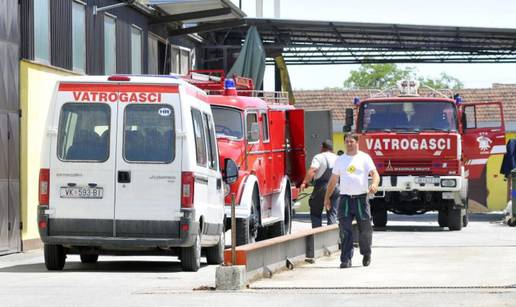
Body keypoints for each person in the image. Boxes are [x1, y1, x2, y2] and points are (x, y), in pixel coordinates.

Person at [324, 133, 380, 268]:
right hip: (345, 199)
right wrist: (327, 197)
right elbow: (333, 180)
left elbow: (375, 174)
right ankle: (346, 259)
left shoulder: (364, 158)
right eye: (347, 142)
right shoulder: (340, 160)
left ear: (357, 143)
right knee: (345, 230)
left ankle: (366, 253)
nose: (349, 144)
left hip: (361, 198)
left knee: (365, 229)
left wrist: (374, 184)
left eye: (351, 141)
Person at [300, 139, 339, 228]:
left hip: (322, 188)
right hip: (336, 187)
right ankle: (331, 236)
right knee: (332, 213)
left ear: (322, 147)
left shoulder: (319, 157)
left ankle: (317, 236)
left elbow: (313, 170)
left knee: (316, 212)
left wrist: (305, 182)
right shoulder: (337, 158)